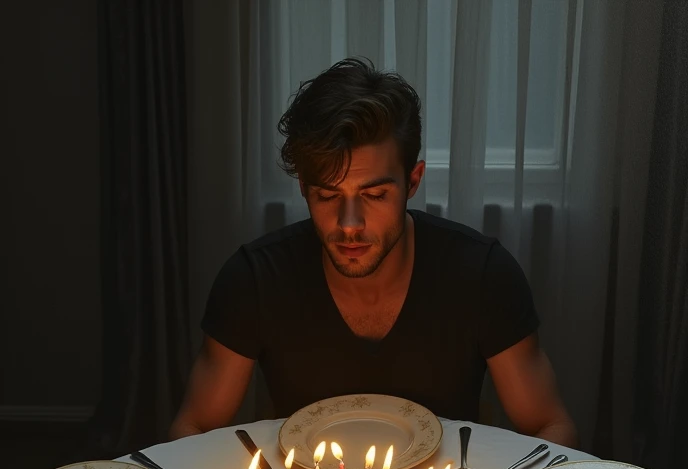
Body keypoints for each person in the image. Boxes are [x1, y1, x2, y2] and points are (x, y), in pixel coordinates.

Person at [170, 58, 577, 447]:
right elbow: (194, 426)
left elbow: (550, 424)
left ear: (412, 181)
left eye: (375, 194)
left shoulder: (483, 275)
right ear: (304, 190)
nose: (349, 224)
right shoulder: (254, 280)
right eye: (328, 195)